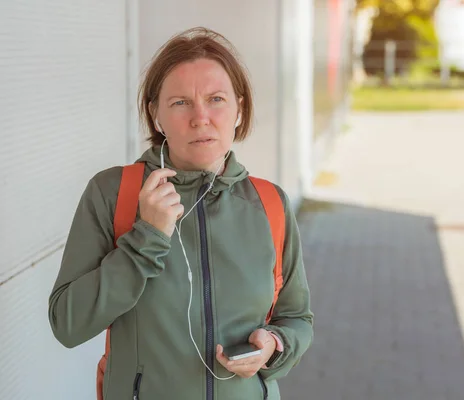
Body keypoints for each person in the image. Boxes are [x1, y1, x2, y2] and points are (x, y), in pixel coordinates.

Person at [48, 27, 313, 400]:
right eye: (180, 103)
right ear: (156, 115)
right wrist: (146, 240)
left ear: (239, 109)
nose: (200, 117)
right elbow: (67, 324)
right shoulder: (115, 194)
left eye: (216, 99)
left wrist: (273, 345)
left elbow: (298, 319)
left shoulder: (269, 202)